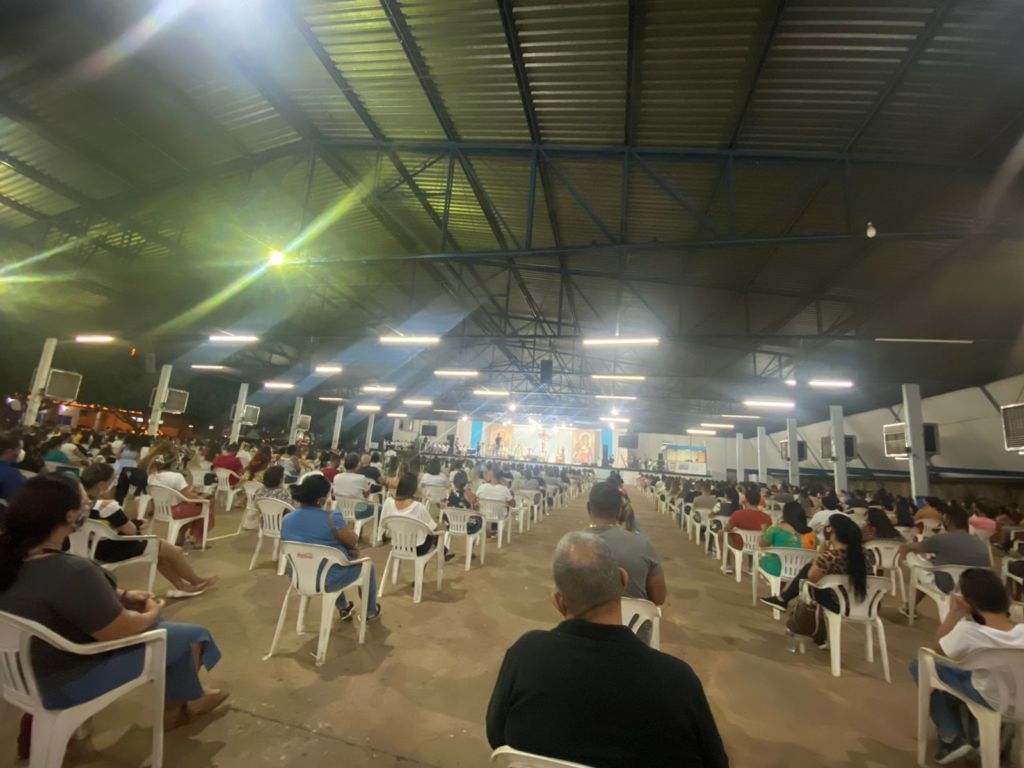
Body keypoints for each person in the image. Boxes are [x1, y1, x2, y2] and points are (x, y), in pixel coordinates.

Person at [0, 475, 227, 728]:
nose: (89, 508)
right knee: (192, 636)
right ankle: (178, 706)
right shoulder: (71, 570)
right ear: (70, 515)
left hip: (22, 674)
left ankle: (189, 699)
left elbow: (51, 597)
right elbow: (119, 630)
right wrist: (153, 610)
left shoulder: (15, 559)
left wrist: (123, 595)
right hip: (68, 678)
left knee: (170, 632)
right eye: (85, 504)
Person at [486, 532, 728, 768]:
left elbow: (497, 737)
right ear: (623, 580)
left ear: (558, 602)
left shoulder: (526, 654)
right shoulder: (678, 680)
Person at [910, 569, 1024, 764]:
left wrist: (954, 613)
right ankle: (981, 736)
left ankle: (951, 738)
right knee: (969, 675)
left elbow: (937, 651)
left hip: (992, 699)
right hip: (1019, 698)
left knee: (922, 666)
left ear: (969, 601)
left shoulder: (968, 632)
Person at [80, 464, 216, 598]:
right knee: (174, 551)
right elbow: (130, 530)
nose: (115, 484)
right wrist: (138, 524)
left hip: (93, 550)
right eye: (112, 481)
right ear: (102, 485)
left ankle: (183, 586)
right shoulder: (108, 506)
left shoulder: (79, 504)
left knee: (161, 551)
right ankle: (196, 581)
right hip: (117, 548)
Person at [280, 475, 381, 622]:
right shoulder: (332, 518)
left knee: (327, 561)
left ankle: (344, 607)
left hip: (298, 575)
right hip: (328, 579)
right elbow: (352, 541)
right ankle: (370, 612)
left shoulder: (287, 519)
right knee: (366, 567)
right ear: (322, 499)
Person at [760, 514, 868, 625]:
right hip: (864, 604)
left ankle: (784, 600)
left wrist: (820, 552)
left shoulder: (829, 557)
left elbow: (812, 577)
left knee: (807, 576)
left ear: (831, 530)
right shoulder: (865, 554)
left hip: (836, 604)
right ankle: (783, 598)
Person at [900, 504, 992, 614]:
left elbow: (911, 548)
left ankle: (909, 607)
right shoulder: (980, 544)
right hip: (975, 588)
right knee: (931, 569)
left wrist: (904, 553)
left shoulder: (940, 539)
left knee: (918, 563)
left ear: (947, 521)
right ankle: (909, 607)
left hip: (947, 587)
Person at [585, 481, 666, 606]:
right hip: (634, 618)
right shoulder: (642, 544)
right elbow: (659, 598)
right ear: (619, 510)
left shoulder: (570, 546)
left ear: (588, 507)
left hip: (586, 618)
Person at [381, 472, 447, 558]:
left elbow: (384, 525)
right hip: (417, 548)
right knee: (432, 533)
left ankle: (447, 551)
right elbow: (433, 528)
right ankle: (446, 551)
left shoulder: (388, 502)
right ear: (414, 488)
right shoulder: (418, 507)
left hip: (397, 545)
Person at [721, 485, 771, 574]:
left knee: (721, 533)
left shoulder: (738, 514)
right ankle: (750, 566)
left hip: (740, 544)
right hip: (758, 545)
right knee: (755, 537)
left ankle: (727, 564)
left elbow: (726, 529)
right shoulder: (766, 517)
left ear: (746, 500)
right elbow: (766, 534)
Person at [759, 501, 815, 577]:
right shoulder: (811, 534)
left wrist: (764, 531)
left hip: (777, 569)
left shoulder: (775, 529)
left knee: (760, 559)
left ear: (785, 514)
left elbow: (762, 545)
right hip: (802, 572)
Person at [0, 431, 26, 506]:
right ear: (9, 452)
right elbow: (19, 503)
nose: (21, 452)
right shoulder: (11, 475)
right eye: (19, 449)